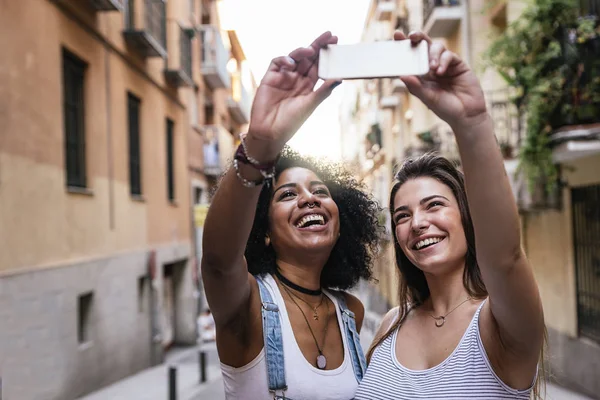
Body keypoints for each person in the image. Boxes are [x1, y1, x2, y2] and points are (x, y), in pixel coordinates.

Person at [354, 31, 546, 399]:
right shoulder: (391, 325)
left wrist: (470, 122)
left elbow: (505, 258)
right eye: (401, 216)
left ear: (467, 217)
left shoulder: (500, 323)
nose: (417, 223)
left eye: (434, 204)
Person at [201, 32, 382, 399]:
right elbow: (219, 262)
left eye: (320, 191)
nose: (308, 199)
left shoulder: (352, 313)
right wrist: (261, 144)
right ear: (263, 231)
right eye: (287, 194)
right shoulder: (247, 304)